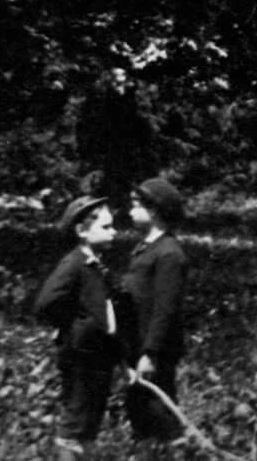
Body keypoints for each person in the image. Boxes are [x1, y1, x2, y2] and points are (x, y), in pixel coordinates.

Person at [34, 196, 124, 456]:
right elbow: (45, 303)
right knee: (75, 419)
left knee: (90, 420)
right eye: (106, 227)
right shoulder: (73, 264)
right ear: (82, 231)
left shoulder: (95, 264)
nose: (114, 232)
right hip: (80, 355)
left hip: (98, 354)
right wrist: (74, 324)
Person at [122, 177, 190, 452]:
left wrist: (150, 352)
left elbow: (165, 308)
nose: (129, 210)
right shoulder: (145, 248)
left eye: (135, 204)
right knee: (138, 404)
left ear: (154, 211)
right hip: (137, 342)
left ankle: (177, 449)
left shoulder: (169, 254)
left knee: (159, 405)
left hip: (156, 349)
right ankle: (146, 450)